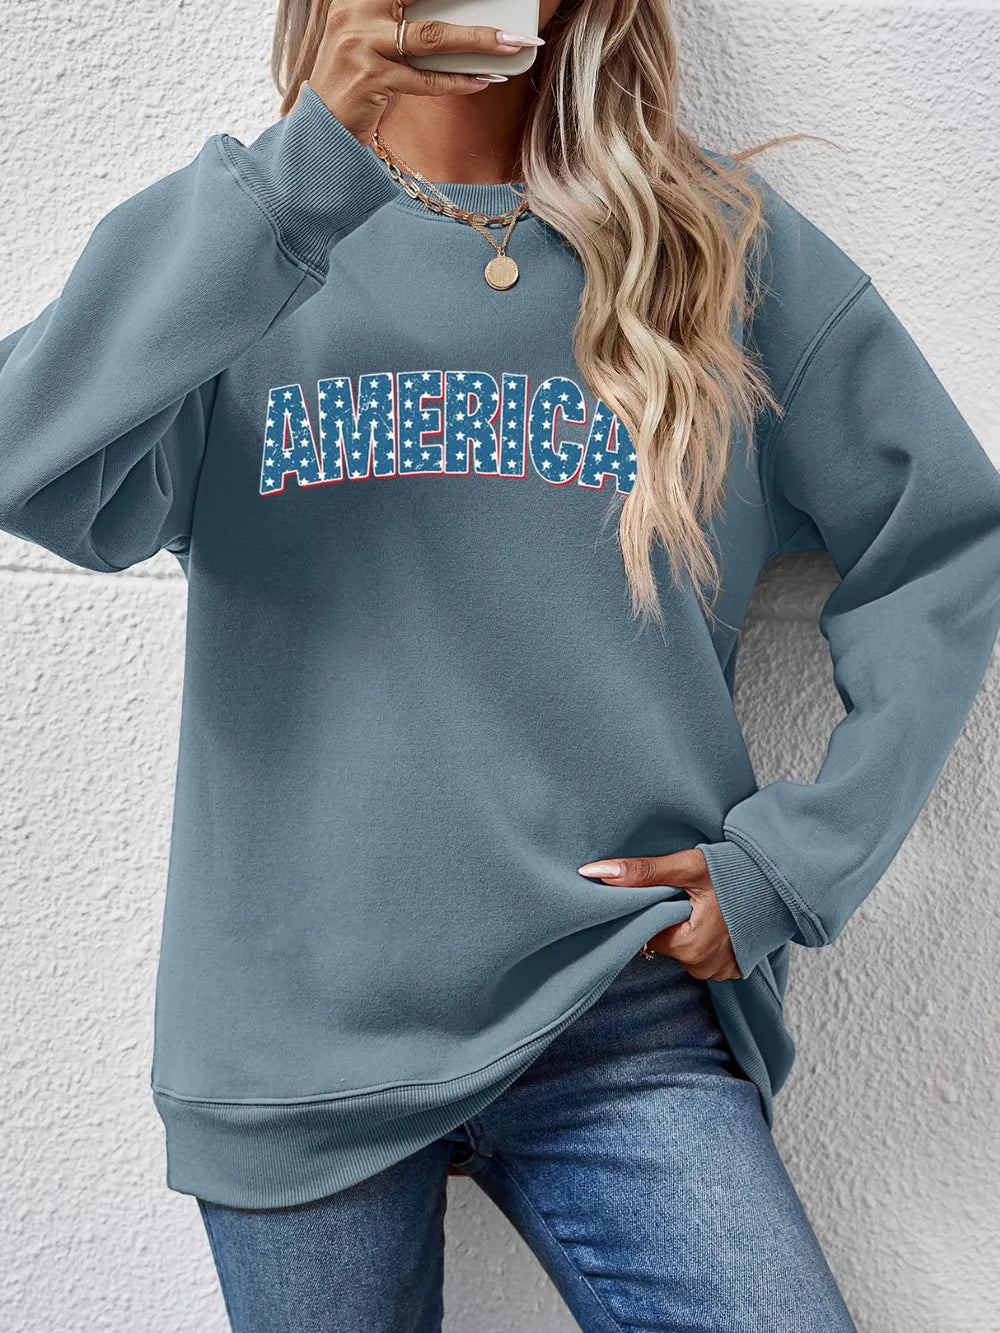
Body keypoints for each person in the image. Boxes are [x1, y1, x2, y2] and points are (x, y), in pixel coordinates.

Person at [2, 0, 998, 1326]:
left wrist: (796, 864)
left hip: (618, 1000)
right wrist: (301, 175)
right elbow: (25, 459)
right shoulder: (246, 248)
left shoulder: (716, 253)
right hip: (298, 1030)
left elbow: (944, 543)